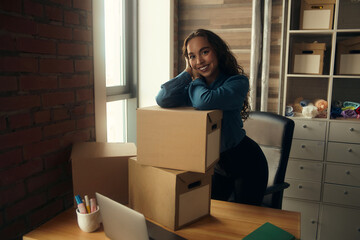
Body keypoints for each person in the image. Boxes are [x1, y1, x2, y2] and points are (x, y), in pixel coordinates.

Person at [156, 29, 268, 206]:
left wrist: (195, 79)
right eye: (192, 56)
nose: (199, 61)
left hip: (247, 163)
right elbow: (162, 98)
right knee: (211, 216)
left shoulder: (237, 82)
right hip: (216, 166)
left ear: (218, 51)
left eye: (205, 52)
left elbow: (204, 101)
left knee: (244, 222)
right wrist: (187, 72)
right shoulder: (193, 87)